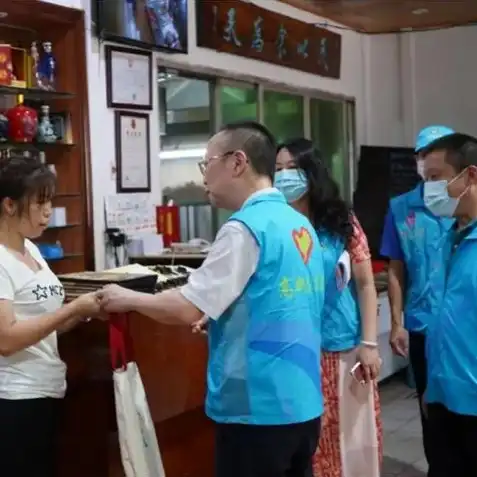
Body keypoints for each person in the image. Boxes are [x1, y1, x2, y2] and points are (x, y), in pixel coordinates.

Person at [98, 121, 326, 477]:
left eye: (207, 163)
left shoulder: (244, 228)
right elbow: (277, 301)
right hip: (302, 401)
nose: (204, 176)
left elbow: (188, 306)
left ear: (238, 163)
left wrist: (127, 298)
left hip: (256, 407)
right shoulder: (298, 224)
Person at [274, 138, 382, 477]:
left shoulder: (339, 220)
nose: (284, 176)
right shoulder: (274, 222)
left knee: (349, 439)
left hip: (342, 346)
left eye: (292, 168)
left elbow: (364, 283)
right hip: (293, 349)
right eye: (277, 169)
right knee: (308, 443)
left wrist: (369, 343)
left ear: (311, 172)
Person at [0, 156, 101, 477]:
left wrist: (83, 313)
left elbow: (45, 324)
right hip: (14, 397)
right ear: (9, 205)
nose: (48, 212)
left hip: (47, 389)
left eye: (50, 202)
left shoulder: (31, 250)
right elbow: (7, 339)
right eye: (40, 203)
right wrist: (72, 309)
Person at [379, 125, 455, 467]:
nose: (428, 161)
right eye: (422, 154)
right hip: (424, 323)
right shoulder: (401, 209)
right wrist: (397, 322)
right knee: (430, 407)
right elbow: (396, 268)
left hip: (465, 324)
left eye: (436, 153)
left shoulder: (467, 201)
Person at [418, 132, 477, 476]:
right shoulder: (447, 238)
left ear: (470, 175)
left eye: (436, 178)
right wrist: (432, 387)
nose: (429, 189)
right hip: (443, 396)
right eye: (426, 179)